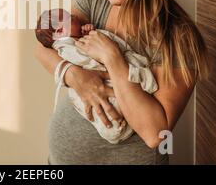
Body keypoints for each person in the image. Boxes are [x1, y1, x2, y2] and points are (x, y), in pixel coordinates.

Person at [34, 0, 209, 165]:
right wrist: (77, 78)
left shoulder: (178, 36)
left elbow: (155, 134)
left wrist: (113, 60)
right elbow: (44, 46)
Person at [35, 8, 158, 145]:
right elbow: (40, 49)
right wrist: (73, 74)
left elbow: (155, 135)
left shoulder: (74, 41)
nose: (76, 16)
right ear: (60, 32)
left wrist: (88, 36)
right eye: (70, 17)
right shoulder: (67, 49)